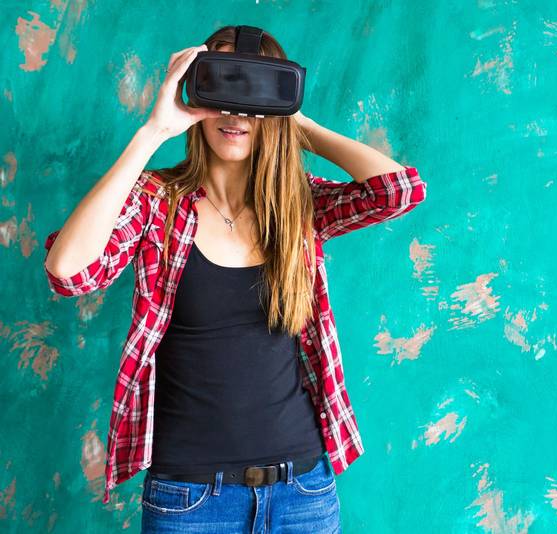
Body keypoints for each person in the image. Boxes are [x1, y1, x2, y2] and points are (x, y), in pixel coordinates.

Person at [43, 25, 427, 533]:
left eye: (256, 94)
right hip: (190, 500)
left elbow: (398, 192)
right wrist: (154, 131)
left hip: (303, 494)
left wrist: (293, 120)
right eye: (223, 88)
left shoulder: (296, 205)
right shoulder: (157, 203)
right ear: (195, 92)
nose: (237, 112)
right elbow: (68, 272)